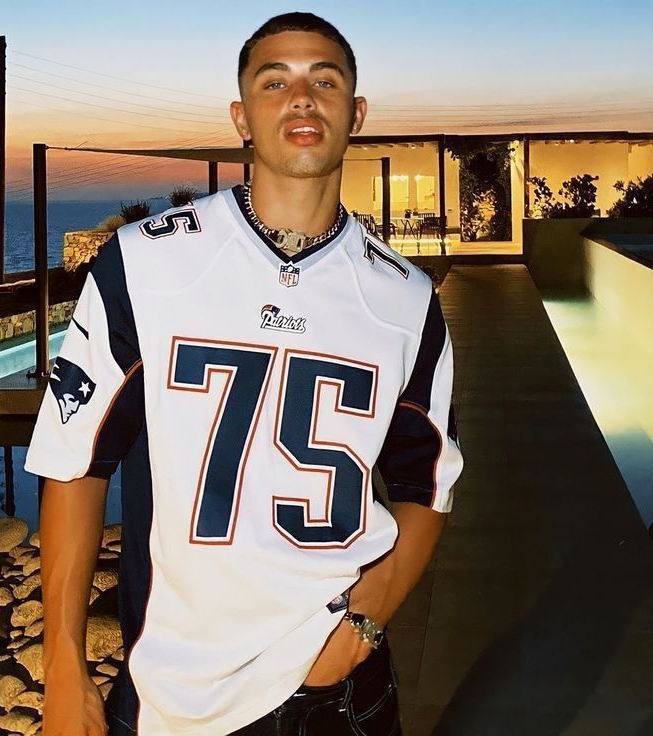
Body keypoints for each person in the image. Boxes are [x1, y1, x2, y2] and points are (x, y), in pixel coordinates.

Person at [25, 11, 463, 736]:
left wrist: (364, 620)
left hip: (338, 692)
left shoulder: (405, 299)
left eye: (325, 81)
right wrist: (64, 664)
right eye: (275, 81)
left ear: (355, 114)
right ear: (241, 117)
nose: (302, 97)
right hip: (174, 695)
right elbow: (76, 461)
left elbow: (430, 484)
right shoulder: (146, 263)